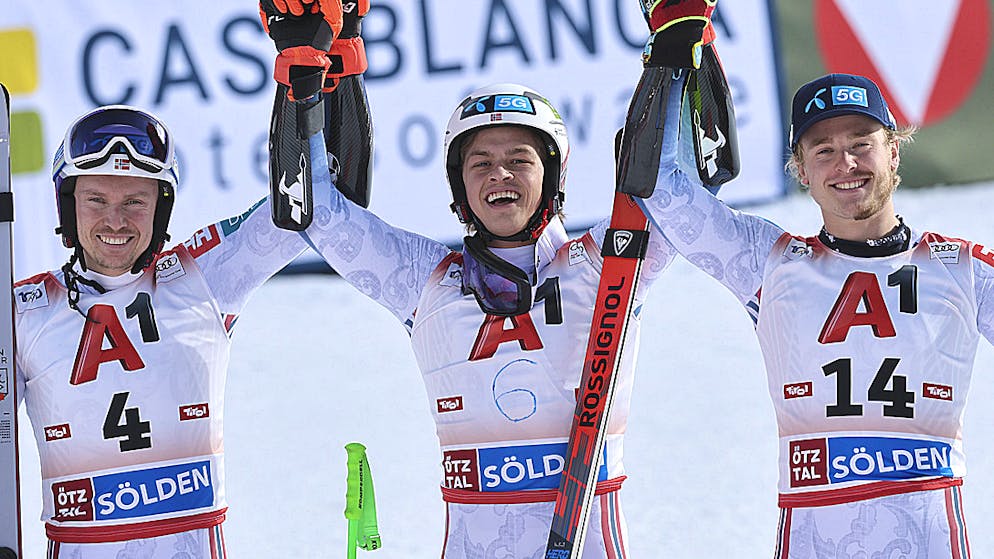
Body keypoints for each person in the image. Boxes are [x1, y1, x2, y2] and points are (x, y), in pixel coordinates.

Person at [640, 52, 988, 558]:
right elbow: (664, 191)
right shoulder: (769, 264)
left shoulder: (962, 268)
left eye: (861, 145)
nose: (845, 164)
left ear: (893, 151)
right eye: (822, 150)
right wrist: (673, 59)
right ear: (800, 169)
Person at [12, 100, 352, 555]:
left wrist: (309, 86)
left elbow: (321, 196)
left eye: (135, 201)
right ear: (68, 206)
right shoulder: (20, 312)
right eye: (96, 200)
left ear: (161, 208)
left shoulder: (205, 276)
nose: (115, 220)